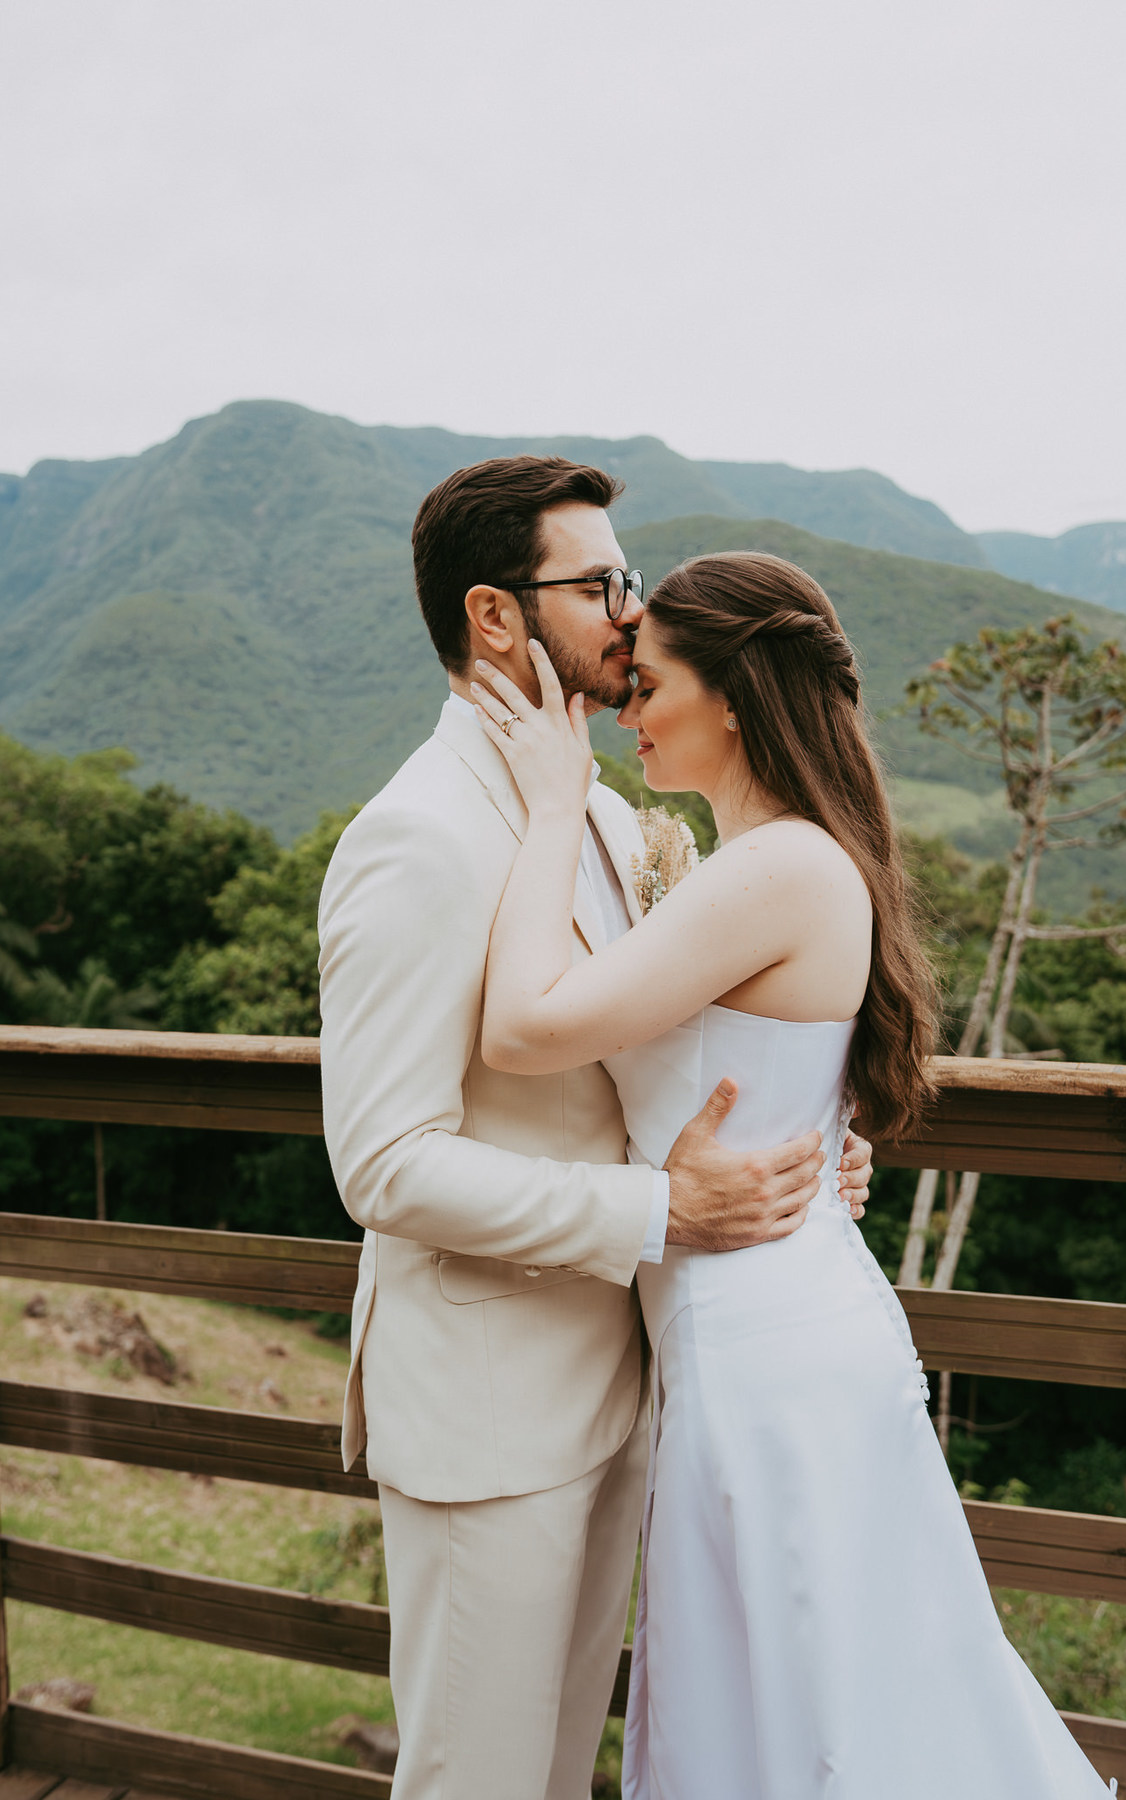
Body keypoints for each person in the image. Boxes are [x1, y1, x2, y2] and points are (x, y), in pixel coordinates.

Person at [471, 550, 1118, 1799]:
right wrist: (829, 1138)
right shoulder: (777, 862)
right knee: (811, 1696)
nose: (626, 708)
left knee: (824, 1705)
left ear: (733, 695)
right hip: (758, 1323)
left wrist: (556, 809)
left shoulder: (778, 869)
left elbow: (521, 1031)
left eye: (647, 683)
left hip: (765, 1351)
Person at [317, 460, 874, 1800]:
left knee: (563, 1778)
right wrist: (665, 1212)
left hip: (630, 1393)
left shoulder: (615, 818)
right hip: (490, 1421)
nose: (633, 614)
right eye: (603, 585)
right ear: (498, 619)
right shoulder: (418, 838)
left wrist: (789, 1151)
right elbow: (384, 1163)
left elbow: (658, 1059)